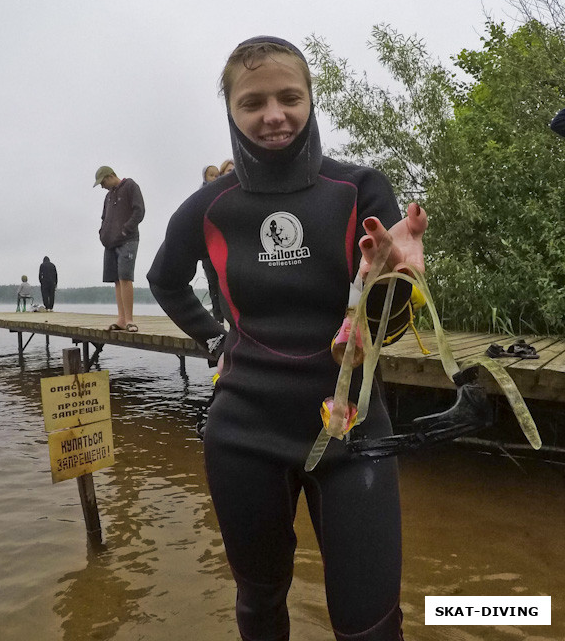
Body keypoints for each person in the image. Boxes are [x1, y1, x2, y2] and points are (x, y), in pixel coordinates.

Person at [147, 37, 426, 641]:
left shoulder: (360, 190)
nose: (273, 114)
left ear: (309, 100)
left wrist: (395, 282)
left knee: (371, 625)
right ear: (231, 111)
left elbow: (384, 329)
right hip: (244, 433)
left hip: (351, 429)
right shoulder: (207, 207)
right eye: (253, 102)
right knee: (259, 603)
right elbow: (164, 280)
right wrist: (216, 342)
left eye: (288, 97)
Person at [94, 165, 145, 332]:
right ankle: (121, 319)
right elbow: (104, 218)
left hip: (128, 240)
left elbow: (139, 211)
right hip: (110, 243)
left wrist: (125, 229)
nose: (102, 186)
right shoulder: (108, 197)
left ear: (110, 176)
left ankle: (130, 320)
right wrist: (103, 234)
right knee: (116, 280)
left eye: (102, 182)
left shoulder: (130, 186)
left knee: (125, 277)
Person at [201, 165, 224, 322]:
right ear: (204, 177)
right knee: (212, 283)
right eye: (211, 175)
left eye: (217, 175)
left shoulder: (224, 194)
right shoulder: (200, 197)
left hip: (223, 248)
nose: (215, 178)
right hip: (207, 249)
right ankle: (218, 317)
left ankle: (230, 318)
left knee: (224, 283)